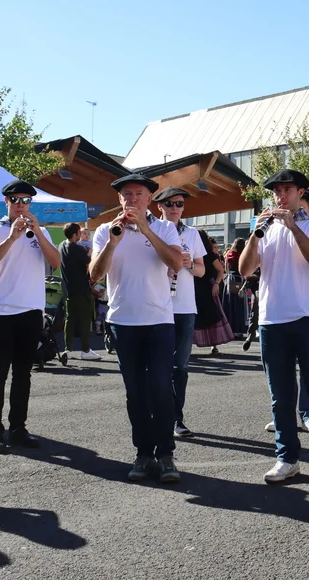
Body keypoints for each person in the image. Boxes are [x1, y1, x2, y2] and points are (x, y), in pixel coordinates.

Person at [239, 169, 309, 488]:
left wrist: (293, 227)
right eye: (276, 191)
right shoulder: (265, 229)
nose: (280, 196)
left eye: (287, 190)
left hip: (308, 318)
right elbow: (245, 269)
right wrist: (255, 235)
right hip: (272, 320)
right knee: (281, 397)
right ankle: (287, 458)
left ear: (300, 193)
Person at [91, 174, 185, 483]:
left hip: (159, 320)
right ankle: (144, 453)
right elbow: (94, 274)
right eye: (126, 194)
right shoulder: (106, 230)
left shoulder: (165, 227)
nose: (132, 199)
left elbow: (176, 262)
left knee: (160, 387)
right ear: (120, 199)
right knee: (135, 392)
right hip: (123, 322)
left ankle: (166, 453)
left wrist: (145, 229)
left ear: (149, 198)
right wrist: (113, 242)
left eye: (138, 194)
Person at [0, 180, 61, 454]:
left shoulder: (41, 232)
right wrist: (12, 237)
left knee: (23, 374)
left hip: (31, 311)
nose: (21, 205)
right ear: (6, 202)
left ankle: (18, 428)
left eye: (26, 200)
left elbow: (55, 262)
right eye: (15, 200)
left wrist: (37, 232)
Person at [152, 188, 206, 437]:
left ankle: (176, 419)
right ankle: (158, 416)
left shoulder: (192, 234)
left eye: (180, 204)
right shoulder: (151, 230)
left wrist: (189, 264)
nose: (175, 208)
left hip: (184, 307)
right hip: (156, 307)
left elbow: (202, 271)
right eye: (170, 203)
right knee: (157, 366)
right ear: (159, 206)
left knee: (180, 367)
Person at [59, 222, 101, 363]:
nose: (81, 235)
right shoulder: (78, 249)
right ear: (74, 234)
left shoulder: (61, 246)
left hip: (68, 290)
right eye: (80, 232)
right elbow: (89, 264)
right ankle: (85, 350)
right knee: (85, 320)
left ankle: (68, 349)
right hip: (81, 290)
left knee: (70, 319)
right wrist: (90, 252)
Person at [194, 234, 234, 353]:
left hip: (207, 287)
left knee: (212, 315)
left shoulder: (208, 254)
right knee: (199, 316)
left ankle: (214, 344)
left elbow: (221, 270)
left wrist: (216, 283)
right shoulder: (194, 253)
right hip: (196, 286)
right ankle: (209, 344)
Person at [222, 237, 249, 339]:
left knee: (229, 304)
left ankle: (229, 329)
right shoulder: (243, 255)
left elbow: (226, 269)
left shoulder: (229, 255)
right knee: (239, 306)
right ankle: (239, 329)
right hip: (239, 280)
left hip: (230, 280)